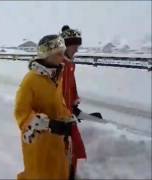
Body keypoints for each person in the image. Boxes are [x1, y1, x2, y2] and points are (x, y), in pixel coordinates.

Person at [14, 34, 77, 179]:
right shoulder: (30, 80)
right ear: (47, 55)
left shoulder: (56, 77)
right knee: (40, 174)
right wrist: (48, 124)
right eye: (59, 54)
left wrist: (68, 118)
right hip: (39, 144)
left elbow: (58, 103)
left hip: (57, 142)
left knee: (57, 171)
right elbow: (21, 113)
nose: (63, 57)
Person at [61, 25, 87, 179]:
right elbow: (57, 92)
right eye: (75, 46)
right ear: (66, 45)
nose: (77, 50)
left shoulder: (70, 63)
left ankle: (70, 173)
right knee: (64, 147)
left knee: (73, 145)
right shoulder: (59, 65)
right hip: (59, 114)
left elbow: (71, 86)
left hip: (68, 112)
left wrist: (74, 105)